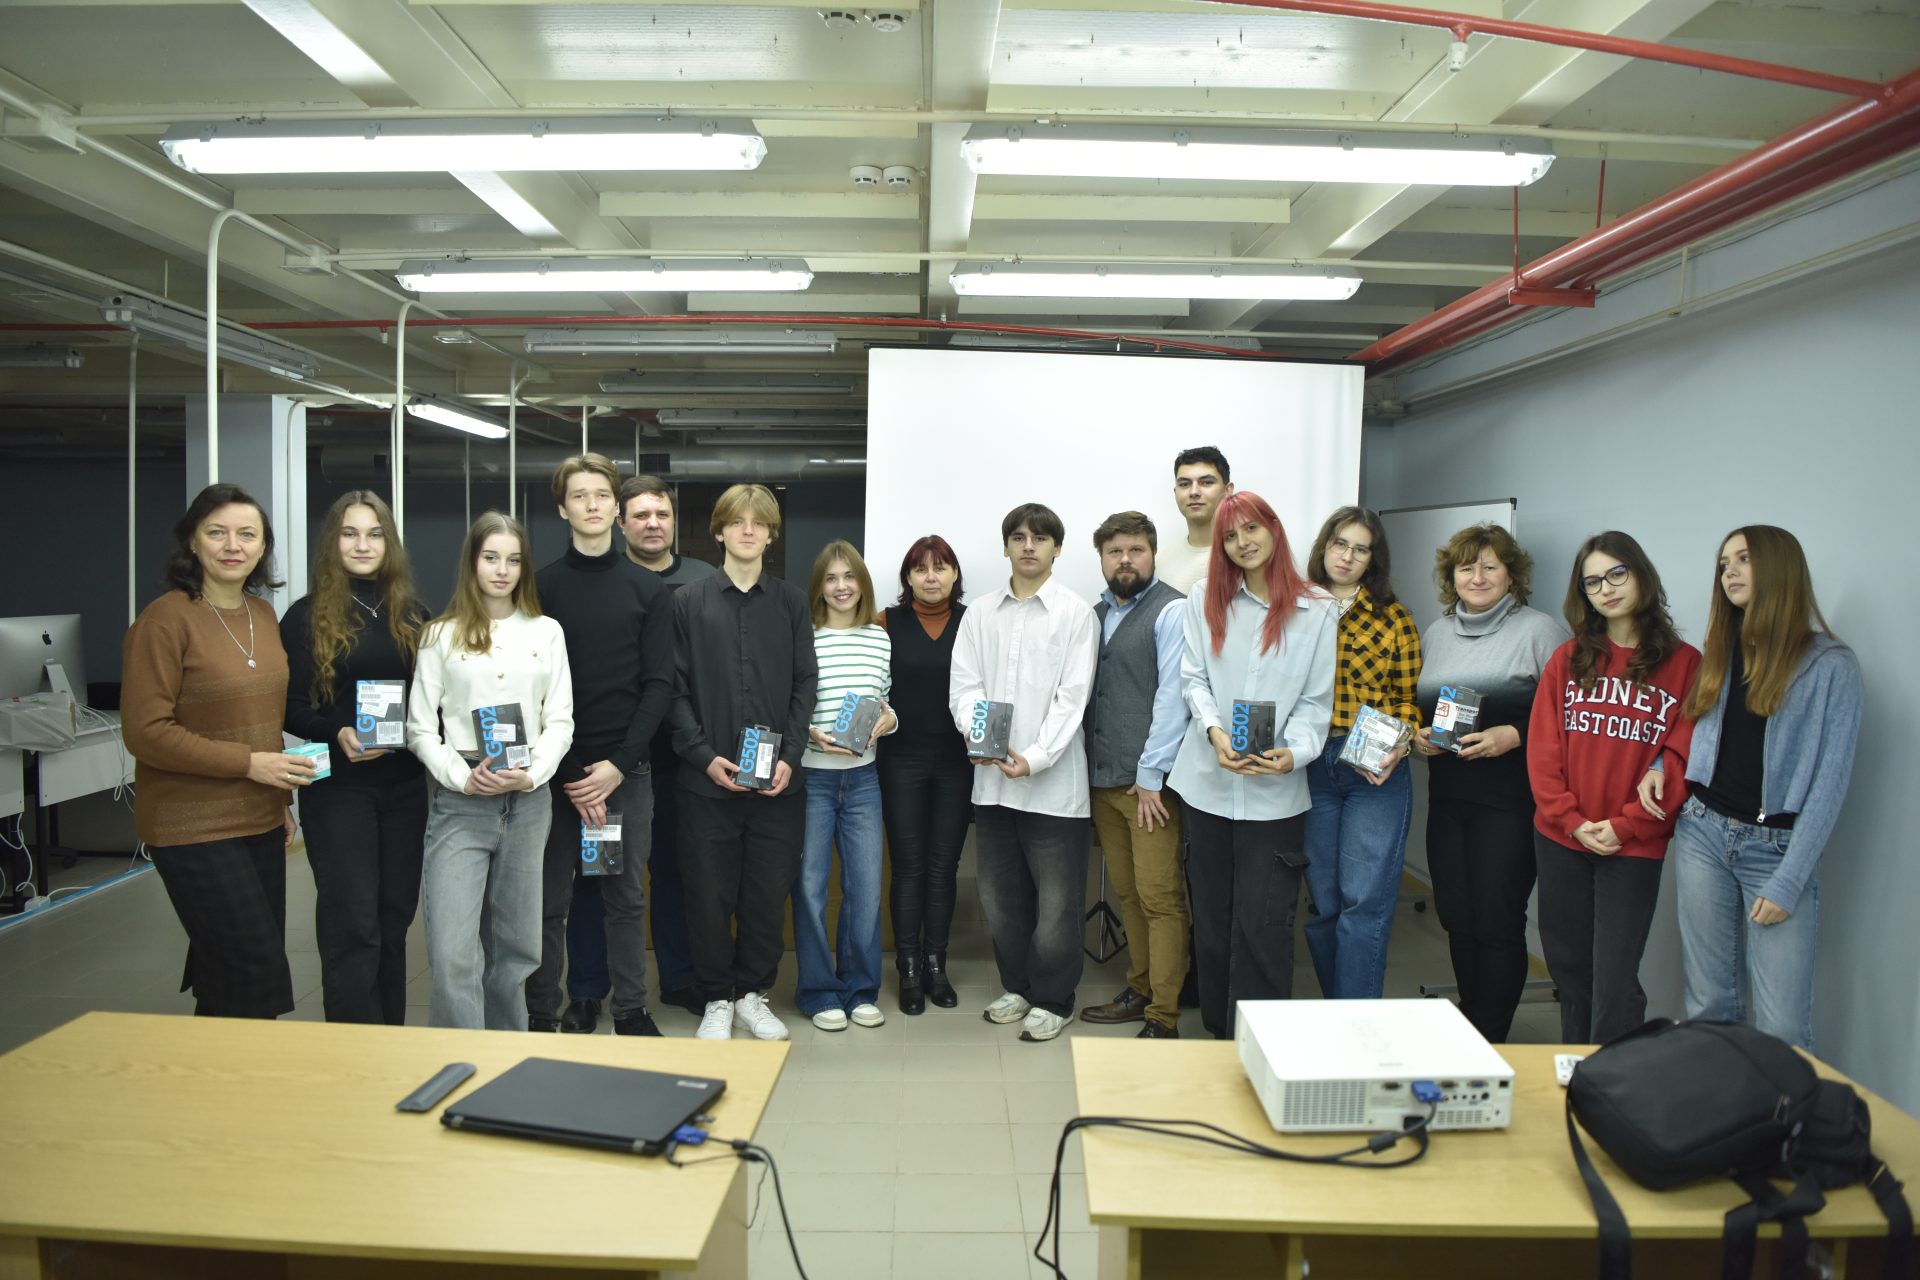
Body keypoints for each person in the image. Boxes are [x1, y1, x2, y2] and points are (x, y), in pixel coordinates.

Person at [1642, 526, 1859, 1050]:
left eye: (1743, 559)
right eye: (1724, 564)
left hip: (1776, 850)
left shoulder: (1831, 665)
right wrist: (1661, 763)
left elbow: (1829, 785)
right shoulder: (1722, 648)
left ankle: (1782, 1106)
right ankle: (1720, 1102)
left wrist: (1790, 880)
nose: (1730, 572)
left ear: (1779, 568)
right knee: (1710, 1005)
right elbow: (1693, 723)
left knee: (1783, 1026)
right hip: (1703, 834)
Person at [123, 483, 308, 1018]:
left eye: (247, 534)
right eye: (217, 532)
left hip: (259, 818)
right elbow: (146, 732)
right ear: (192, 541)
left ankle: (217, 1064)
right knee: (254, 968)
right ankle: (240, 1065)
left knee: (227, 967)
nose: (233, 545)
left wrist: (279, 801)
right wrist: (249, 765)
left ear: (262, 546)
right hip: (191, 824)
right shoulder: (164, 621)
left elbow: (261, 720)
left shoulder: (262, 615)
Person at [1168, 492, 1336, 1041]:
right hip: (1208, 785)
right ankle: (1221, 1035)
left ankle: (1262, 1042)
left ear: (1274, 529)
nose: (1243, 543)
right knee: (1213, 921)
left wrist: (1296, 753)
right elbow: (1193, 678)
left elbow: (1315, 700)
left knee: (1264, 923)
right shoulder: (1204, 598)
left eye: (1251, 529)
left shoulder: (1317, 610)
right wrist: (1214, 732)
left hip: (1276, 794)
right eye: (1230, 536)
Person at [1528, 532, 1700, 1045]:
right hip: (1563, 837)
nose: (1606, 588)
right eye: (1592, 582)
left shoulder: (1687, 664)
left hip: (1634, 844)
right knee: (1570, 968)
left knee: (1615, 977)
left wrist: (1626, 826)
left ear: (1641, 574)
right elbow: (1543, 752)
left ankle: (1615, 1076)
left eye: (1616, 574)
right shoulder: (1568, 659)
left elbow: (1684, 756)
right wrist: (1572, 821)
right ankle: (1577, 1070)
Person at [407, 512, 573, 1030]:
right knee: (453, 952)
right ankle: (461, 1056)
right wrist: (462, 777)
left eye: (514, 560)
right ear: (472, 563)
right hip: (461, 800)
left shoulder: (546, 632)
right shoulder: (440, 635)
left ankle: (507, 1053)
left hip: (528, 800)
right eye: (491, 558)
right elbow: (419, 729)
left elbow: (560, 720)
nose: (502, 570)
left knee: (516, 950)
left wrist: (534, 773)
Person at [529, 455, 674, 1037]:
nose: (591, 504)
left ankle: (630, 1008)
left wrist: (617, 765)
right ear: (563, 509)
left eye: (601, 495)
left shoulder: (647, 588)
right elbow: (531, 686)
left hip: (625, 773)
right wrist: (570, 773)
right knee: (552, 901)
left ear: (616, 509)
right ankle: (550, 1009)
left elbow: (659, 684)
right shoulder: (540, 588)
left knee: (623, 896)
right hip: (554, 774)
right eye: (578, 495)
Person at [668, 483, 816, 1042]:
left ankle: (752, 994)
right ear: (720, 531)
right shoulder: (687, 602)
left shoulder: (792, 603)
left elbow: (805, 684)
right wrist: (703, 756)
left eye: (759, 523)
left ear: (771, 535)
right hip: (706, 784)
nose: (748, 530)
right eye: (737, 521)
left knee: (766, 895)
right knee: (708, 895)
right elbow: (673, 690)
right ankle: (716, 997)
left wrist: (791, 757)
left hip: (778, 786)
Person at [1410, 523, 1567, 1044]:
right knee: (1456, 915)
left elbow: (1571, 714)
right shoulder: (1435, 634)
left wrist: (1514, 735)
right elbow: (1426, 710)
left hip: (1511, 803)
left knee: (1497, 920)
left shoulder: (1540, 632)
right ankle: (1472, 1017)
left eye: (1489, 566)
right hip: (1448, 798)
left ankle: (1488, 1036)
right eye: (1466, 567)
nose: (1476, 577)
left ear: (1511, 575)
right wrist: (1420, 737)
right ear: (1451, 576)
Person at [949, 503, 1099, 1043]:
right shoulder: (980, 614)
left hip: (1054, 788)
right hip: (991, 784)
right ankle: (1018, 986)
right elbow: (964, 686)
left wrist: (1033, 757)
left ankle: (1055, 999)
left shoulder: (1076, 614)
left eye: (1040, 538)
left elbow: (1073, 699)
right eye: (1018, 537)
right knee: (1000, 900)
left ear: (1058, 548)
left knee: (1057, 907)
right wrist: (980, 737)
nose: (1029, 546)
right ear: (1006, 546)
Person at [280, 490, 429, 1025]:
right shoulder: (304, 617)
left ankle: (389, 1039)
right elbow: (290, 708)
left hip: (406, 787)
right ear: (332, 542)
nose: (362, 544)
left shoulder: (414, 615)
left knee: (393, 920)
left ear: (389, 544)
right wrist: (336, 731)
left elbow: (434, 698)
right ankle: (351, 1044)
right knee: (352, 924)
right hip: (337, 788)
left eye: (374, 534)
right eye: (350, 533)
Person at [1301, 506, 1423, 1001]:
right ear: (1324, 547)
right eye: (1340, 544)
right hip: (1310, 765)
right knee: (1325, 902)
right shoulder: (1295, 607)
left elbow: (1407, 699)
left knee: (1364, 903)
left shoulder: (1393, 618)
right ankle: (1340, 1010)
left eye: (1361, 549)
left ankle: (1355, 1022)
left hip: (1372, 768)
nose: (1347, 556)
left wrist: (1401, 740)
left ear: (1373, 558)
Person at [1077, 512, 1191, 1038]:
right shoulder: (1097, 613)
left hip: (1148, 789)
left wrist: (1151, 775)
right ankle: (1140, 988)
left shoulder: (1172, 610)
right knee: (1128, 894)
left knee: (1160, 898)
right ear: (1102, 558)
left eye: (1136, 550)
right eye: (1115, 551)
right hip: (1104, 782)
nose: (1125, 560)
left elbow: (1173, 697)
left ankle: (1164, 1014)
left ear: (1153, 554)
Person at [616, 473, 715, 1016]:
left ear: (674, 522)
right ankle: (592, 988)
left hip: (685, 759)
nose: (653, 524)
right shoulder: (608, 580)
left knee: (678, 875)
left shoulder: (703, 580)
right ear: (621, 523)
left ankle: (679, 979)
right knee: (604, 877)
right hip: (616, 761)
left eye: (662, 515)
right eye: (641, 515)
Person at [793, 541, 898, 1032]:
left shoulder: (879, 638)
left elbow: (886, 700)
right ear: (819, 586)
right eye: (831, 578)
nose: (841, 586)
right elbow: (789, 705)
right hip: (811, 779)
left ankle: (860, 989)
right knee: (810, 889)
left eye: (849, 576)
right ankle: (818, 992)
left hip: (863, 781)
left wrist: (890, 720)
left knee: (865, 890)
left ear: (862, 583)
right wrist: (807, 733)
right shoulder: (803, 636)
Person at [877, 535, 972, 1014]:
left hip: (959, 763)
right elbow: (870, 686)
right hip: (901, 761)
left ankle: (937, 964)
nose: (931, 577)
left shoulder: (974, 622)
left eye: (940, 567)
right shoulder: (885, 622)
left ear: (955, 574)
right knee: (908, 867)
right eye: (921, 569)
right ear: (908, 577)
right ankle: (909, 968)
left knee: (943, 867)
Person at [1157, 446, 1234, 593]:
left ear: (1228, 490)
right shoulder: (1160, 562)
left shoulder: (1246, 554)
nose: (1194, 492)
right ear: (1175, 492)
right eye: (1184, 484)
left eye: (1206, 482)